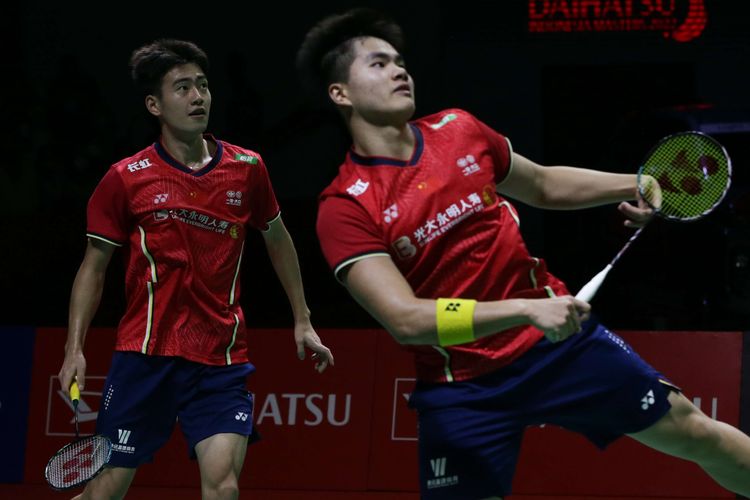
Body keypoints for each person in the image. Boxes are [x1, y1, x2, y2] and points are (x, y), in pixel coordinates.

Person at [296, 8, 750, 500]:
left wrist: (641, 182)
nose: (399, 71)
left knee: (694, 431)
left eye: (400, 61)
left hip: (558, 347)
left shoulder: (459, 130)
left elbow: (543, 183)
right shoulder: (346, 206)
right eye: (378, 65)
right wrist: (528, 310)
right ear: (340, 93)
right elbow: (405, 319)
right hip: (464, 387)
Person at [57, 38, 334, 500]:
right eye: (182, 87)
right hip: (147, 355)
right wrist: (74, 349)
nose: (197, 97)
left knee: (223, 488)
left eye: (202, 86)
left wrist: (302, 318)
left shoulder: (247, 168)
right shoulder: (126, 177)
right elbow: (93, 268)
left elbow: (278, 239)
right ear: (154, 105)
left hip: (220, 357)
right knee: (103, 493)